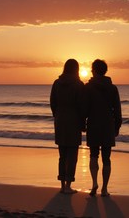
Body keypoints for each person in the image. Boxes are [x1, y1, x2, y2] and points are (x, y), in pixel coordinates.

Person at [84, 59, 122, 197]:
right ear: (105, 71)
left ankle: (94, 183)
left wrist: (83, 124)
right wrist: (117, 126)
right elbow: (117, 110)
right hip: (108, 125)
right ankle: (104, 189)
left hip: (93, 123)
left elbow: (84, 108)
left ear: (94, 70)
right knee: (107, 158)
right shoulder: (112, 88)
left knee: (93, 155)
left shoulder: (88, 87)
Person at [50, 59, 85, 194]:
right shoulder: (78, 85)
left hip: (60, 120)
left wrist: (57, 115)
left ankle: (62, 184)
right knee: (72, 154)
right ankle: (68, 185)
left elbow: (52, 102)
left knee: (62, 154)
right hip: (74, 121)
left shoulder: (57, 83)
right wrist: (83, 122)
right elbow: (82, 106)